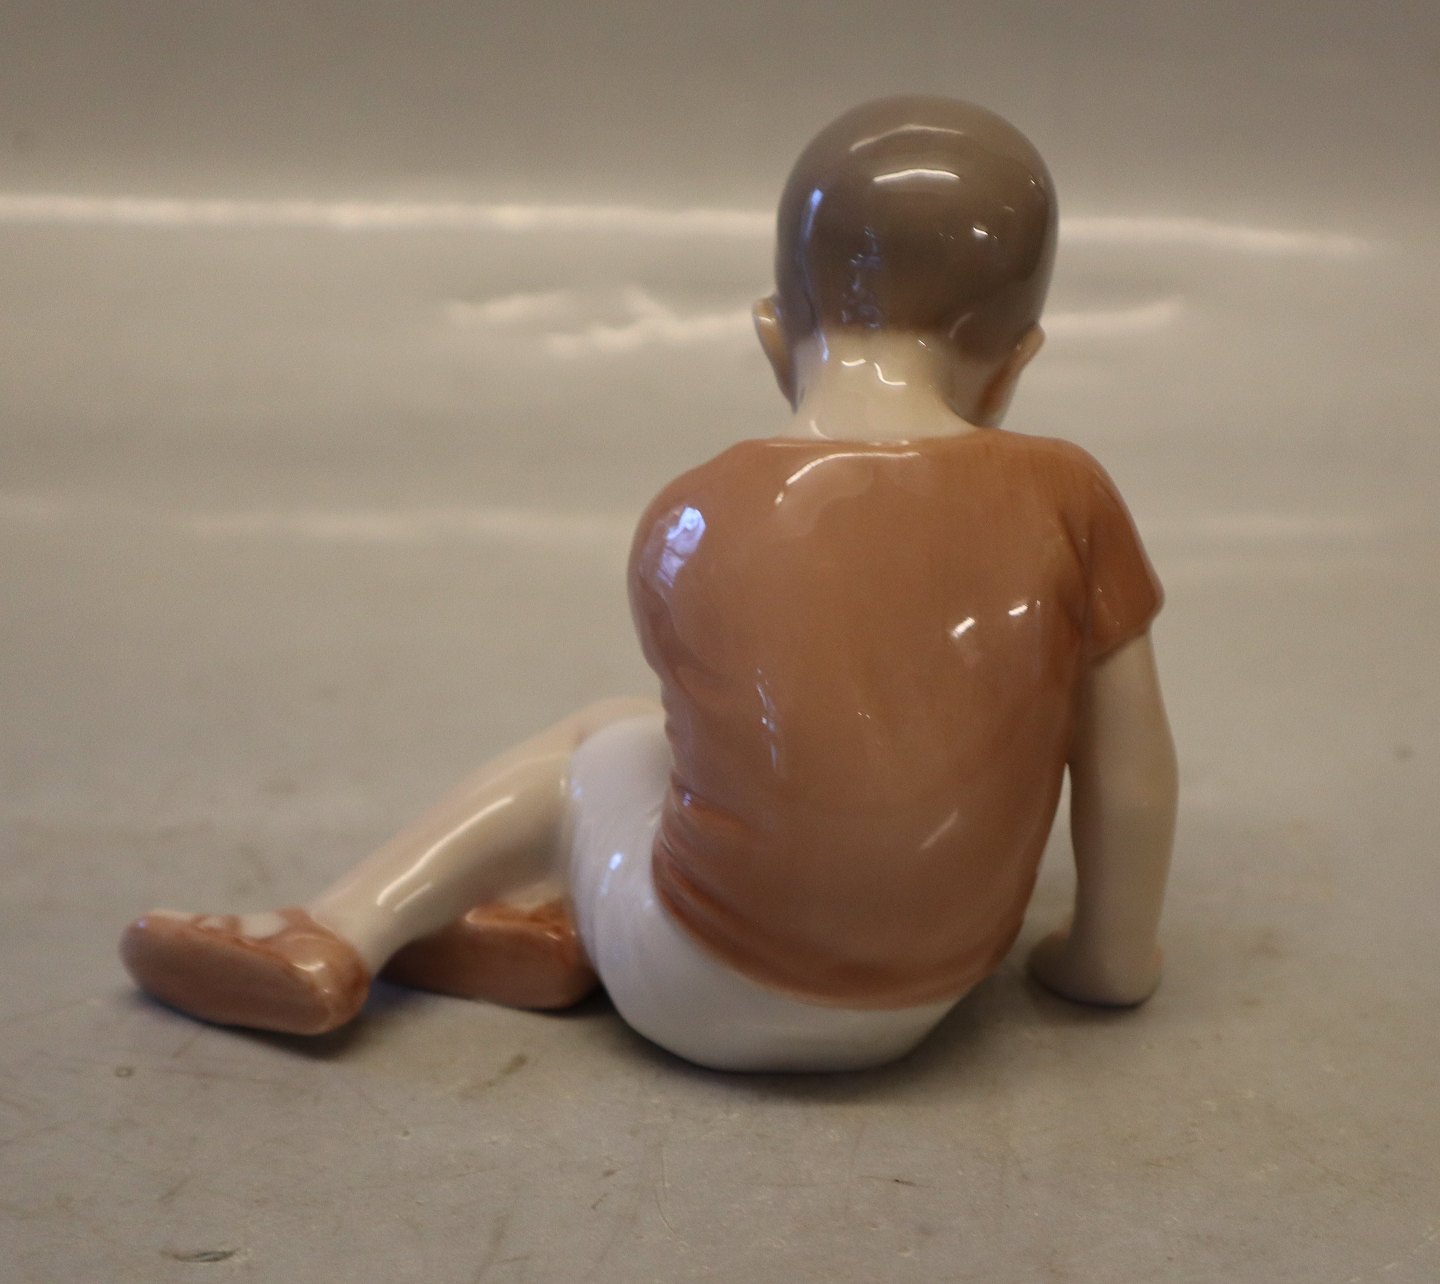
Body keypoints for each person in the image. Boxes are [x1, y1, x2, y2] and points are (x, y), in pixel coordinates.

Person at [121, 96, 1177, 1073]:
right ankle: (553, 921)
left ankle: (338, 932)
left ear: (772, 332)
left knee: (603, 740)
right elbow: (1129, 775)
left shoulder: (692, 516)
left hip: (701, 986)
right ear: (1018, 361)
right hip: (935, 994)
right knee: (657, 746)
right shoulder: (1070, 496)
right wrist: (1108, 963)